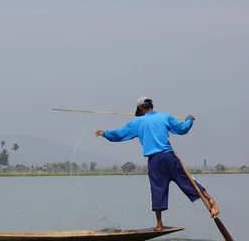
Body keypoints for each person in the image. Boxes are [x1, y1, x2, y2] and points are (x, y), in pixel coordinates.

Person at [94, 97, 219, 231]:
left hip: (155, 160)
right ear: (151, 106)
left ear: (141, 109)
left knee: (157, 189)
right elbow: (182, 129)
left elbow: (120, 134)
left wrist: (104, 134)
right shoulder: (165, 117)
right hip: (169, 157)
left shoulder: (138, 122)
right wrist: (189, 119)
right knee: (187, 180)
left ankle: (159, 224)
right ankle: (211, 201)